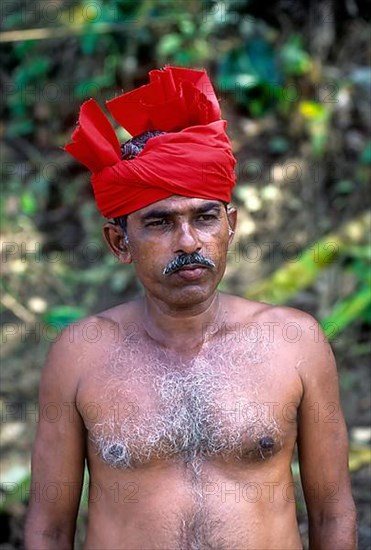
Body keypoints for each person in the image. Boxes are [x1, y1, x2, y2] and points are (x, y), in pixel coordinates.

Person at [25, 67, 356, 550]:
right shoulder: (80, 355)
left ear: (231, 226)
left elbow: (333, 513)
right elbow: (49, 529)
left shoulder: (295, 344)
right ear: (120, 241)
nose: (187, 241)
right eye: (159, 222)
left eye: (205, 217)